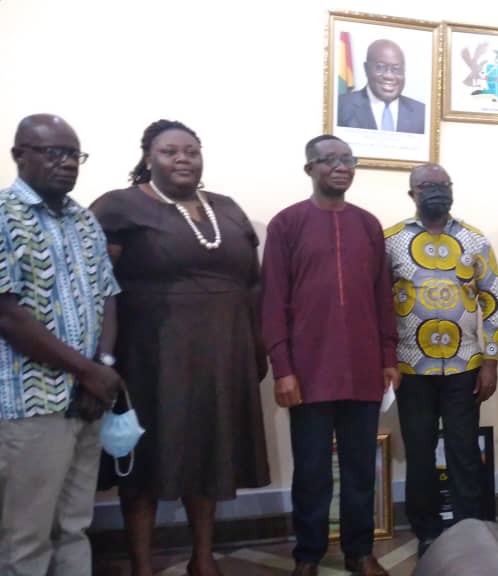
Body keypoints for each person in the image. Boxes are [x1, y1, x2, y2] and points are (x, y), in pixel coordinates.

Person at [90, 119, 271, 576]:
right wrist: (101, 358)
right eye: (170, 151)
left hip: (223, 354)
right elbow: (94, 286)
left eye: (191, 150)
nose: (183, 158)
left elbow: (252, 283)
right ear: (148, 157)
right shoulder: (119, 207)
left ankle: (203, 558)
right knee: (145, 461)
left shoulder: (226, 209)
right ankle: (141, 566)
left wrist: (257, 345)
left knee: (209, 453)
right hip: (149, 358)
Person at [262, 135, 400, 576]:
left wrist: (388, 357)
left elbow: (383, 298)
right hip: (308, 372)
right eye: (329, 160)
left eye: (347, 159)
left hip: (362, 371)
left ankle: (360, 551)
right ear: (309, 169)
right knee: (312, 471)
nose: (340, 167)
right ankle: (308, 554)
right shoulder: (287, 224)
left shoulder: (368, 225)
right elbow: (272, 304)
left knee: (361, 468)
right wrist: (283, 369)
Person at [0, 114, 123, 575]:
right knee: (25, 536)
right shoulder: (3, 215)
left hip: (87, 399)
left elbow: (109, 295)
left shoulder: (83, 219)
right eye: (54, 152)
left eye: (74, 154)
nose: (68, 163)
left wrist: (103, 366)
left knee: (74, 526)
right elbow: (8, 315)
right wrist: (89, 372)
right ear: (20, 155)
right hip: (30, 404)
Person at [383, 163, 498, 558]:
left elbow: (494, 302)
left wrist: (490, 361)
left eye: (441, 184)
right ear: (411, 194)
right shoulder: (390, 241)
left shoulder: (475, 240)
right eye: (425, 186)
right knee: (419, 453)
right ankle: (428, 534)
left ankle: (469, 530)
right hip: (410, 369)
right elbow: (378, 305)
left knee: (463, 451)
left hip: (464, 367)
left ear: (452, 190)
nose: (434, 191)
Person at [338, 39, 426, 134]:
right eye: (380, 67)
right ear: (366, 69)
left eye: (396, 69)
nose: (389, 76)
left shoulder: (422, 113)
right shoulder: (340, 106)